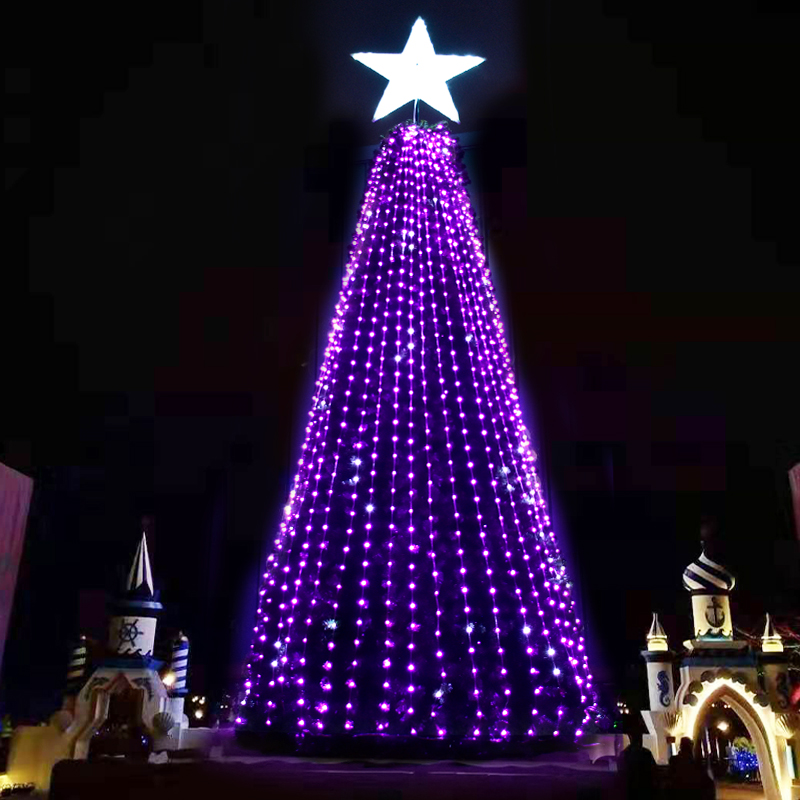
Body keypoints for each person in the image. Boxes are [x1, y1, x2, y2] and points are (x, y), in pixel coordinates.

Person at [617, 727, 658, 798]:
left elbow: (620, 773)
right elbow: (653, 770)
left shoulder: (624, 753)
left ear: (630, 738)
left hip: (630, 791)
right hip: (644, 790)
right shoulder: (646, 753)